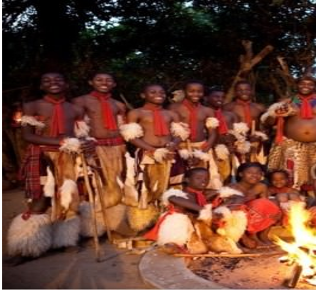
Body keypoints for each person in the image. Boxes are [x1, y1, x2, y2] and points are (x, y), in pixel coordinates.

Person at [7, 72, 91, 263]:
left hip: (69, 157)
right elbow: (28, 136)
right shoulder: (32, 106)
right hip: (42, 156)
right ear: (41, 86)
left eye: (58, 79)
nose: (53, 83)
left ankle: (66, 240)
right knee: (38, 200)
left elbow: (82, 135)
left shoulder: (75, 108)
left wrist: (86, 143)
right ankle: (25, 246)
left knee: (68, 198)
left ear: (66, 84)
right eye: (47, 80)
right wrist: (60, 142)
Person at [120, 84, 186, 233]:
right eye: (153, 92)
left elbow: (179, 134)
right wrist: (151, 150)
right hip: (147, 154)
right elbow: (131, 137)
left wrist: (172, 146)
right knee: (147, 187)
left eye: (162, 92)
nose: (159, 94)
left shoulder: (171, 114)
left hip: (170, 155)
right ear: (143, 95)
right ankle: (145, 223)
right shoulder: (136, 113)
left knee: (172, 186)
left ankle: (169, 221)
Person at [72, 72, 129, 238]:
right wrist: (84, 143)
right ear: (91, 82)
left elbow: (122, 127)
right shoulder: (80, 101)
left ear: (114, 84)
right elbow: (78, 126)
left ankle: (115, 223)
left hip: (117, 147)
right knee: (98, 185)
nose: (104, 82)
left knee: (118, 184)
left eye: (108, 80)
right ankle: (95, 227)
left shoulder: (118, 104)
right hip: (94, 148)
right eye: (99, 79)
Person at [143, 168, 211, 254]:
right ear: (187, 180)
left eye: (206, 178)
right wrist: (204, 210)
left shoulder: (204, 194)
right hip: (177, 229)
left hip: (194, 229)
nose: (203, 181)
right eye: (198, 178)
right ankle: (173, 245)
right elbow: (172, 198)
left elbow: (231, 188)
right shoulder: (177, 193)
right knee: (178, 221)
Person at [168, 80, 221, 188]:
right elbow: (170, 131)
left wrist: (201, 154)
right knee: (179, 178)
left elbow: (213, 134)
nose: (195, 94)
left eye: (199, 91)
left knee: (203, 178)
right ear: (185, 92)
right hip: (180, 147)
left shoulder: (208, 111)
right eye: (191, 91)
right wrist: (178, 149)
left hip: (201, 147)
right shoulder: (174, 108)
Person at [223, 162, 282, 249]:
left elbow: (266, 205)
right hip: (240, 217)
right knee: (245, 208)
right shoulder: (233, 187)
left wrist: (275, 212)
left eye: (258, 173)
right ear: (241, 174)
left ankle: (263, 234)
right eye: (250, 173)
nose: (254, 175)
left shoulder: (261, 186)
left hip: (254, 214)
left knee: (272, 203)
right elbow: (233, 206)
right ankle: (251, 236)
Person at [204, 87, 245, 183]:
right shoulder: (204, 113)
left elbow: (239, 134)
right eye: (216, 97)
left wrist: (234, 141)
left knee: (228, 176)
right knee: (213, 176)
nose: (220, 99)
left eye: (222, 97)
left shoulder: (231, 115)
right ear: (206, 98)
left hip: (229, 151)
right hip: (210, 150)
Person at [223, 80, 268, 163]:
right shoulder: (228, 107)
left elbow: (267, 125)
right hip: (236, 143)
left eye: (247, 90)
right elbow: (223, 126)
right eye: (240, 90)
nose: (244, 92)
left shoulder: (259, 107)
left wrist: (260, 135)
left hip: (255, 142)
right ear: (235, 92)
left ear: (251, 91)